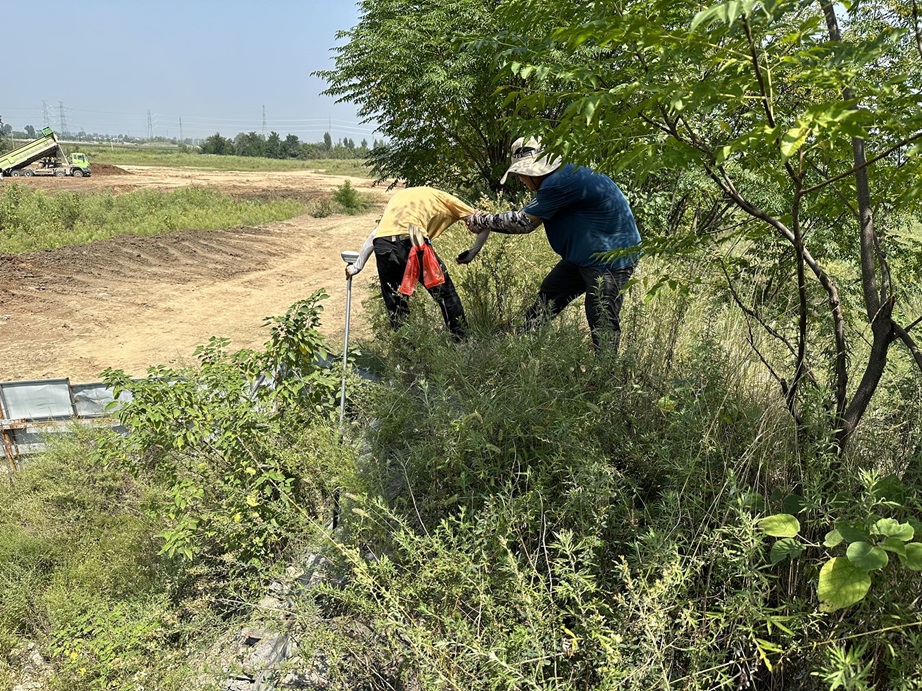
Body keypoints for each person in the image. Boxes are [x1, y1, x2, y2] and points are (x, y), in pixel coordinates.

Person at [465, 137, 641, 351]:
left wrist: (483, 220)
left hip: (609, 259)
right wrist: (488, 222)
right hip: (584, 255)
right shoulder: (565, 174)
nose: (520, 179)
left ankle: (607, 369)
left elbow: (523, 222)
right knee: (551, 293)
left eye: (520, 173)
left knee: (601, 317)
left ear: (533, 171)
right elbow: (532, 221)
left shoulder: (558, 182)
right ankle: (521, 346)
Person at [346, 186, 489, 340]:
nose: (469, 228)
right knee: (445, 294)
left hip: (383, 245)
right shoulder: (445, 198)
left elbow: (375, 234)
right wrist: (471, 254)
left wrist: (356, 267)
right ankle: (461, 341)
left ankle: (404, 351)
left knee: (396, 303)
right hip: (414, 243)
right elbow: (485, 223)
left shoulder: (399, 198)